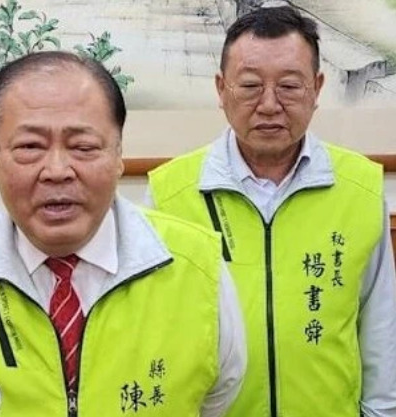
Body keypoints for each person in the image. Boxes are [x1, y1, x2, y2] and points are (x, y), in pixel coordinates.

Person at [0, 51, 246, 417]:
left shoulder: (198, 268)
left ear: (119, 154)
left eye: (83, 147)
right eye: (30, 147)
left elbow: (216, 397)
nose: (57, 170)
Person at [147, 6, 396, 417]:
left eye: (289, 86)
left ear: (316, 88)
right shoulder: (171, 194)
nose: (268, 105)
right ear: (221, 89)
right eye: (249, 86)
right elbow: (155, 334)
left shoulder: (360, 188)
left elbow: (381, 331)